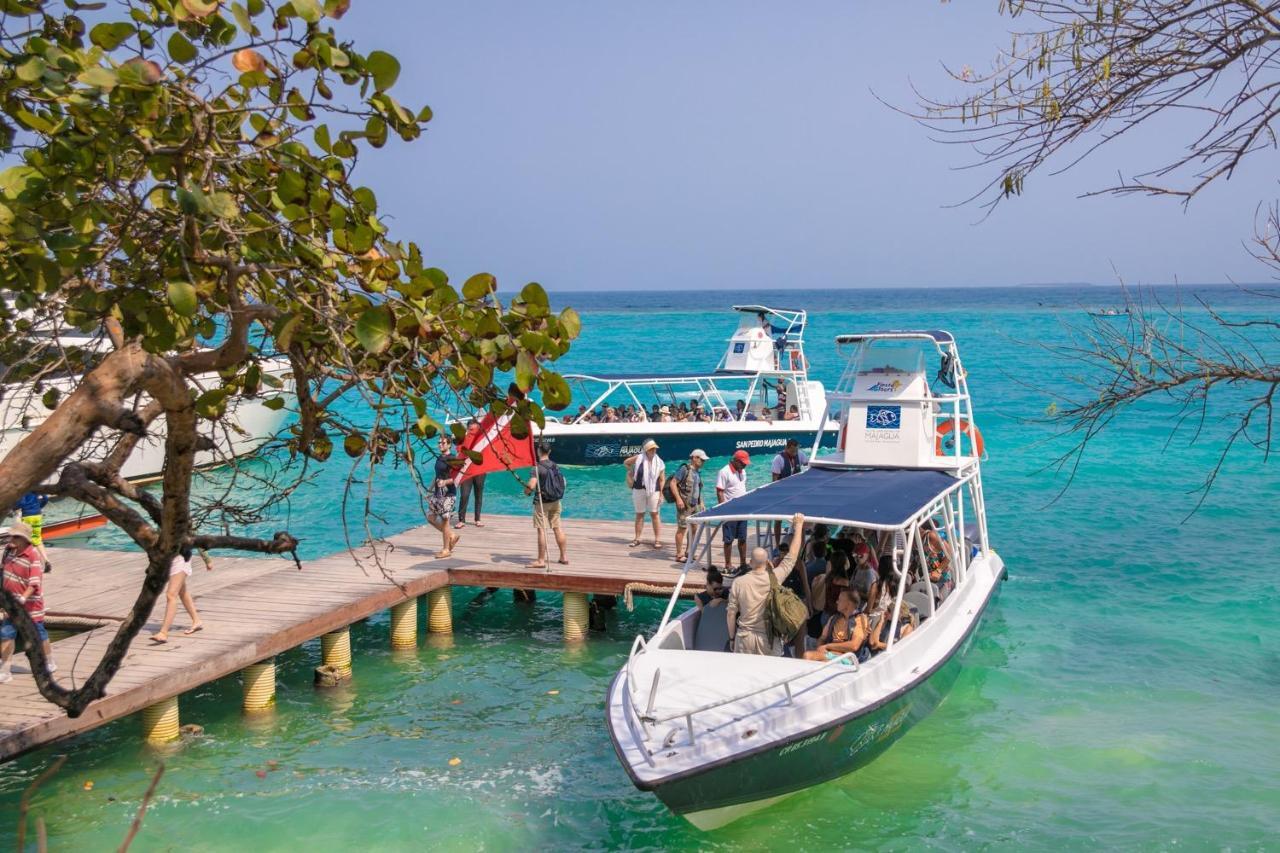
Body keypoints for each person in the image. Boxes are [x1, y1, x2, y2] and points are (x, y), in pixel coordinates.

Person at [726, 512, 805, 655]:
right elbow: (792, 556)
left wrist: (732, 639)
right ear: (768, 562)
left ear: (750, 563)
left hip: (744, 637)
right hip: (769, 638)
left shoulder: (738, 582)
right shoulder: (775, 577)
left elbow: (731, 614)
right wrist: (798, 526)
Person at [0, 522, 54, 682]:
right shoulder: (8, 552)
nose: (12, 538)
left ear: (24, 539)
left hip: (30, 605)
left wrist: (23, 598)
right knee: (6, 634)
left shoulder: (33, 556)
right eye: (12, 535)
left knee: (38, 633)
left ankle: (49, 662)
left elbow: (34, 584)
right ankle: (5, 670)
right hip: (11, 604)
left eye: (16, 536)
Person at [150, 544, 205, 644]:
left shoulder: (185, 528)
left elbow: (198, 541)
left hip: (181, 559)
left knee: (171, 594)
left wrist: (207, 561)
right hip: (169, 560)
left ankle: (163, 633)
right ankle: (197, 621)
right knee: (182, 591)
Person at [525, 442, 568, 567]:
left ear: (539, 451)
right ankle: (563, 556)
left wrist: (526, 491)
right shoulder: (555, 466)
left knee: (541, 531)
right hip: (556, 501)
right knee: (557, 527)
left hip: (542, 502)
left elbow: (531, 485)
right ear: (549, 452)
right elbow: (563, 482)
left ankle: (541, 560)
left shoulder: (536, 468)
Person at [803, 588, 870, 662]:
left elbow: (854, 646)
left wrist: (827, 646)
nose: (837, 602)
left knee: (808, 656)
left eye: (840, 600)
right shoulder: (834, 618)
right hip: (830, 654)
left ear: (848, 604)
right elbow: (822, 638)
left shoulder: (860, 619)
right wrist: (820, 648)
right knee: (810, 656)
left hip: (849, 659)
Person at [624, 439, 666, 549]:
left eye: (655, 448)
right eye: (651, 449)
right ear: (646, 450)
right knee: (639, 514)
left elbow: (662, 479)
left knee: (655, 514)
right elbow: (626, 462)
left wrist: (662, 494)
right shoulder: (639, 458)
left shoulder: (660, 462)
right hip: (638, 489)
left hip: (654, 490)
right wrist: (632, 472)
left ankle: (657, 540)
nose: (654, 450)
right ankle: (637, 538)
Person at [668, 448, 708, 562]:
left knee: (694, 528)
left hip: (695, 505)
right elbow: (673, 483)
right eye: (702, 460)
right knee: (682, 528)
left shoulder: (697, 472)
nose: (703, 462)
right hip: (684, 505)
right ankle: (679, 554)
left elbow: (698, 489)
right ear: (694, 458)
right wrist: (678, 499)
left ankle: (689, 551)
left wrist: (702, 502)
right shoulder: (684, 469)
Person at [425, 437, 461, 558]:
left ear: (449, 445)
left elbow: (458, 477)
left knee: (445, 520)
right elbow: (437, 476)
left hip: (449, 494)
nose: (440, 445)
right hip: (437, 493)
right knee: (430, 517)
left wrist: (445, 482)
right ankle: (451, 535)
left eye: (443, 443)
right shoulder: (439, 458)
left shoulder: (453, 459)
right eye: (439, 442)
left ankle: (446, 550)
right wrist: (429, 490)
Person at [715, 450, 751, 570]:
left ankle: (742, 563)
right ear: (735, 460)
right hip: (730, 510)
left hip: (743, 509)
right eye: (742, 463)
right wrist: (723, 509)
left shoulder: (743, 471)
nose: (744, 465)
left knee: (742, 538)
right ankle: (728, 564)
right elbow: (720, 491)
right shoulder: (724, 472)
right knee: (728, 539)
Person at [770, 439, 808, 542]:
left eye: (796, 451)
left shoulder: (799, 455)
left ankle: (800, 543)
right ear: (787, 448)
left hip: (796, 493)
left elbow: (809, 463)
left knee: (799, 519)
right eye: (792, 451)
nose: (794, 453)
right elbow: (774, 480)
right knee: (778, 520)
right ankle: (777, 545)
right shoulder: (778, 459)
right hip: (782, 494)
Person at [454, 421, 486, 529]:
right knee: (464, 495)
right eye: (472, 430)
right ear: (468, 429)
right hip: (466, 471)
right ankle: (461, 519)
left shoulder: (482, 439)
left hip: (480, 470)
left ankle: (477, 519)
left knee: (478, 495)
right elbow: (459, 452)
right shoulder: (463, 439)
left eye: (476, 430)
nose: (474, 432)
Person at [13, 491, 51, 572]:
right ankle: (46, 561)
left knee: (26, 540)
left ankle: (31, 564)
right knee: (37, 539)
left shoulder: (24, 489)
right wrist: (39, 507)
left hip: (27, 516)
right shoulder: (36, 488)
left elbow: (21, 503)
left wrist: (14, 507)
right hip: (38, 516)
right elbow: (46, 498)